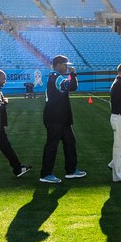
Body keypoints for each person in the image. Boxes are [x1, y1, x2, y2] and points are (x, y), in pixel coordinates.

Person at [39, 55, 86, 184]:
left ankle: (71, 170)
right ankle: (46, 173)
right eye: (65, 64)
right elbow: (71, 86)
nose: (67, 67)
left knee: (70, 142)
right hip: (55, 117)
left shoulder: (56, 77)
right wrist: (73, 74)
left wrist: (72, 76)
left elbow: (69, 86)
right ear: (58, 64)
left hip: (61, 118)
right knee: (52, 145)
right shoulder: (55, 76)